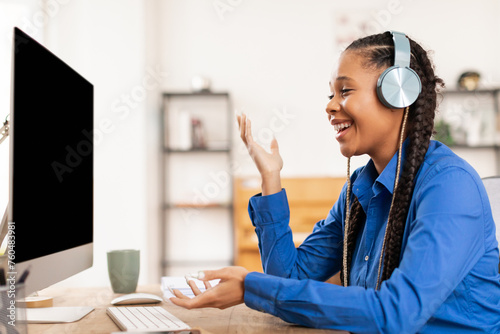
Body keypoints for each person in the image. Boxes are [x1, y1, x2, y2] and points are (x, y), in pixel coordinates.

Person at [170, 31, 500, 333]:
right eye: (331, 94)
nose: (329, 106)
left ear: (398, 93)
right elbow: (288, 279)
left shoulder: (449, 186)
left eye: (345, 91)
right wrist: (271, 179)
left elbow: (396, 312)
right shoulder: (359, 190)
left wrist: (250, 287)